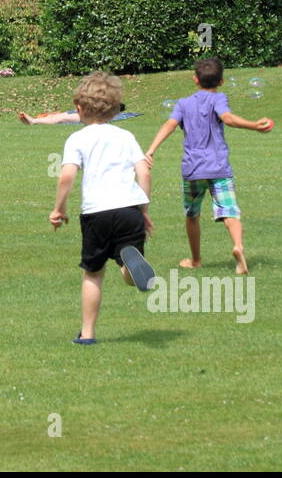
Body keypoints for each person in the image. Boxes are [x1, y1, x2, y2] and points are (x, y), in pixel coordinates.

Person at [48, 71, 155, 345]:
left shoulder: (78, 139)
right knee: (126, 267)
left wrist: (58, 209)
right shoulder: (126, 136)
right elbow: (143, 170)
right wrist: (143, 209)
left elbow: (67, 176)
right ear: (116, 109)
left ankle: (87, 334)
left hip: (96, 213)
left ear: (79, 109)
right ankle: (131, 268)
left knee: (93, 273)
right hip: (129, 209)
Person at [144, 56, 269, 275]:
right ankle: (238, 247)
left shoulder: (183, 103)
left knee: (192, 215)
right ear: (221, 81)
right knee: (230, 211)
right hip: (219, 167)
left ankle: (196, 260)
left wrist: (151, 150)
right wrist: (254, 126)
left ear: (195, 80)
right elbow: (228, 118)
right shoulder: (219, 99)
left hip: (192, 170)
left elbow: (170, 125)